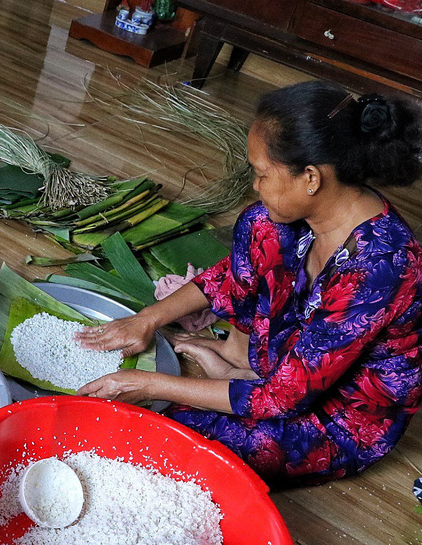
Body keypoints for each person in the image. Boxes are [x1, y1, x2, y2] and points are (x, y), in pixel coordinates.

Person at [76, 81, 422, 489]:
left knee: (163, 438)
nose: (256, 185)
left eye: (262, 174)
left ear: (311, 177)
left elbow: (285, 399)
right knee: (259, 224)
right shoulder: (292, 220)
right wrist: (146, 321)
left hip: (336, 417)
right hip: (288, 371)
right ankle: (240, 365)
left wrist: (145, 383)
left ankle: (243, 376)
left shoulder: (381, 270)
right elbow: (230, 278)